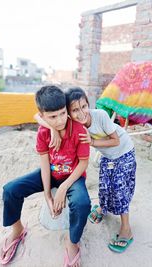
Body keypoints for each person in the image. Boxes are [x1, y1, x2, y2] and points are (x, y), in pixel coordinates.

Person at [35, 86, 136, 253]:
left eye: (84, 106)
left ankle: (126, 229)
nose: (81, 113)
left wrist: (92, 142)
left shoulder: (100, 116)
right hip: (108, 156)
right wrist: (52, 128)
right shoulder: (70, 123)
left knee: (119, 190)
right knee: (104, 186)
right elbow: (38, 116)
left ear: (88, 104)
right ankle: (103, 208)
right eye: (75, 110)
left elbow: (116, 141)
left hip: (123, 152)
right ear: (67, 113)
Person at [0, 85, 91, 267]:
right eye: (53, 117)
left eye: (63, 113)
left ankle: (72, 241)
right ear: (43, 117)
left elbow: (83, 163)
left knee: (82, 203)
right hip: (50, 172)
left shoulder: (79, 130)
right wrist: (48, 195)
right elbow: (44, 164)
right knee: (10, 189)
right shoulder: (44, 132)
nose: (60, 120)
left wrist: (63, 188)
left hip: (73, 177)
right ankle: (17, 230)